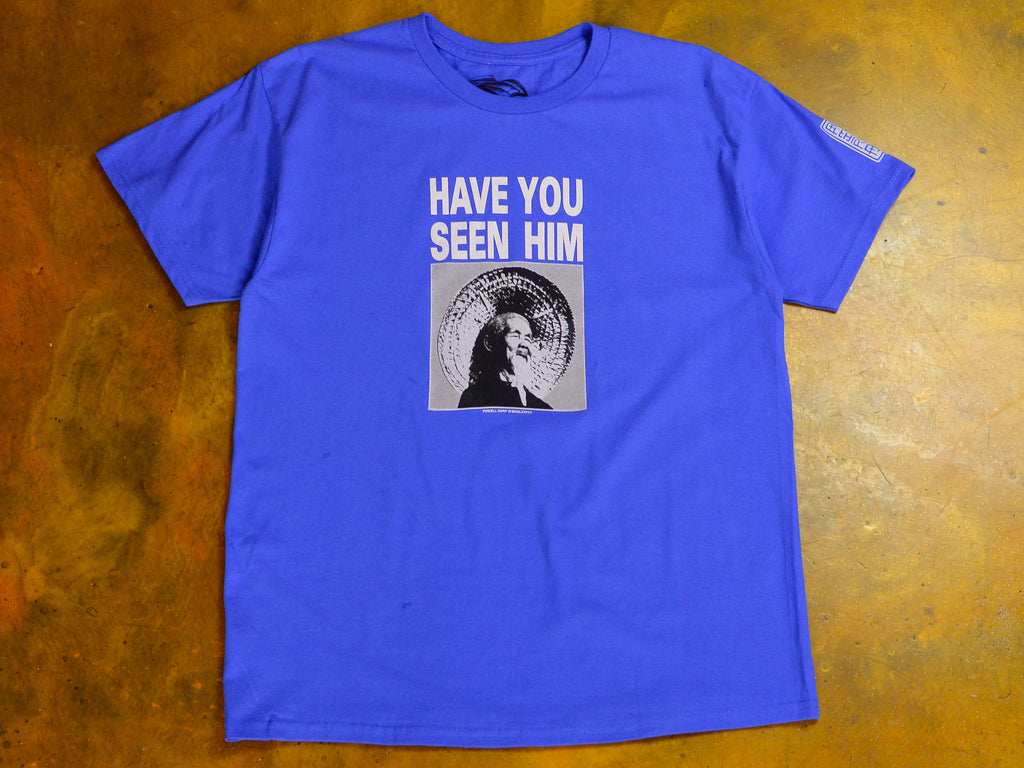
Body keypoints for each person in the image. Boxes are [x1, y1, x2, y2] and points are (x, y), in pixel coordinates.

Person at [458, 312, 553, 409]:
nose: (524, 344)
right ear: (490, 343)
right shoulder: (474, 398)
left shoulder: (543, 409)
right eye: (515, 336)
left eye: (528, 338)